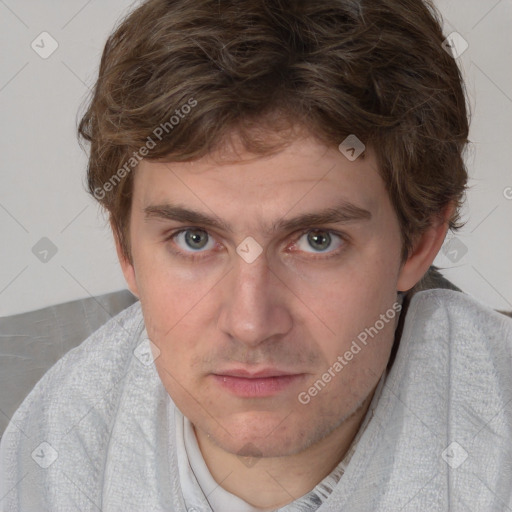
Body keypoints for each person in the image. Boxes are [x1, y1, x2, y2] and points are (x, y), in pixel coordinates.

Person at [1, 0, 512, 510]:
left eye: (317, 240)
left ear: (420, 240)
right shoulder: (48, 454)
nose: (250, 323)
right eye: (194, 239)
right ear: (125, 250)